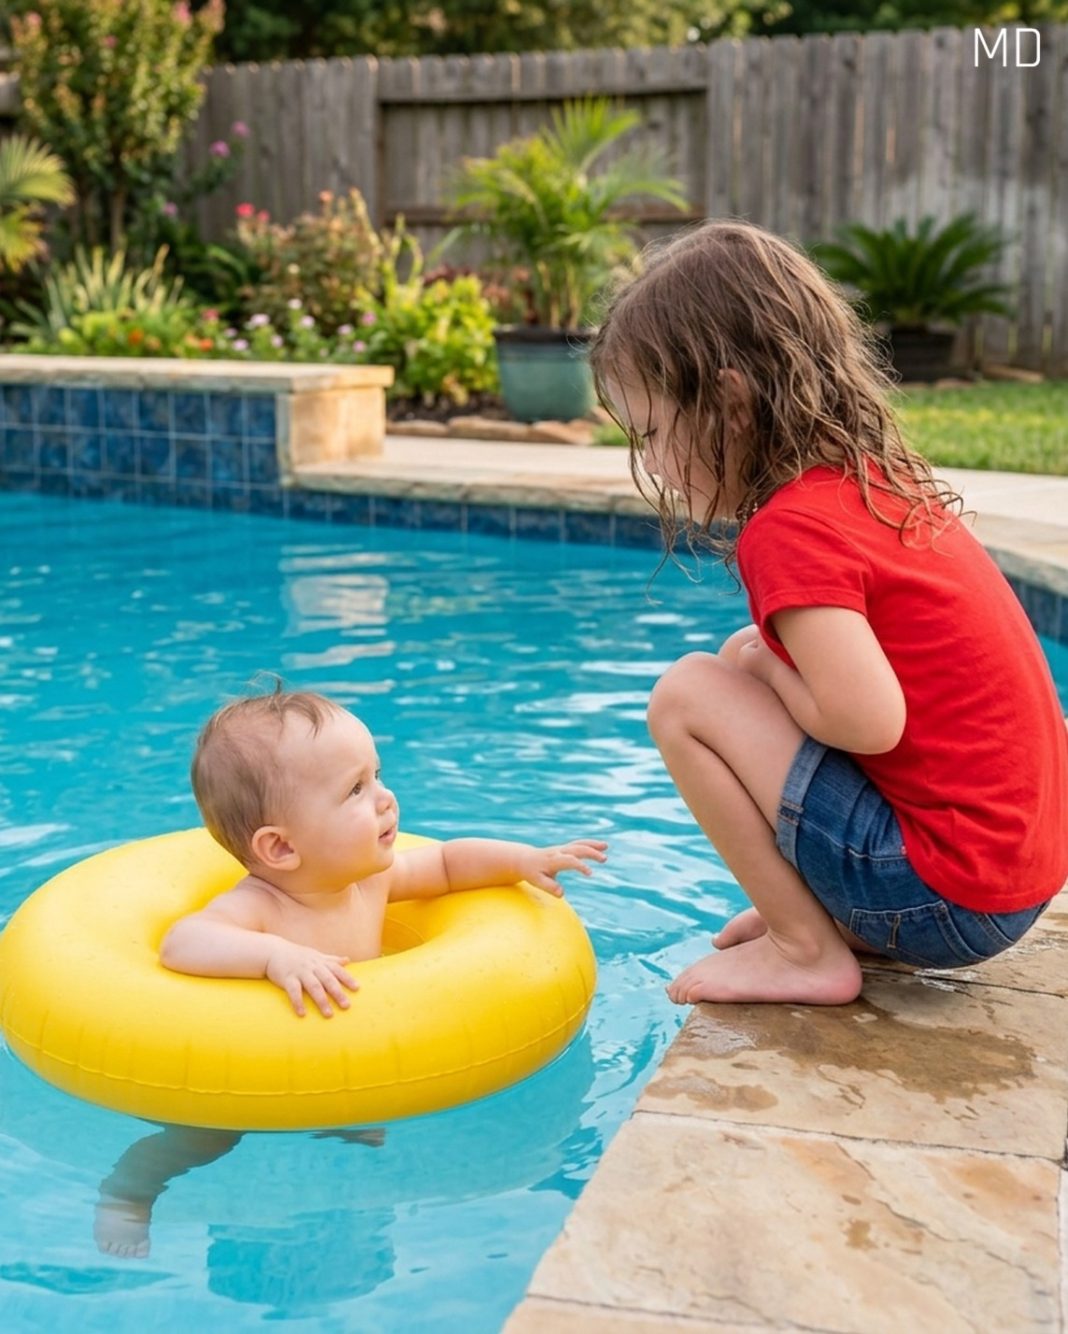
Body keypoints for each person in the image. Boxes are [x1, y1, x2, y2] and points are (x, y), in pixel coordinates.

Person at [590, 218, 1068, 1007]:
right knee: (746, 660)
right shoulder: (871, 482)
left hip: (949, 897)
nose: (648, 463)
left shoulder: (790, 527)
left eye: (650, 433)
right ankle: (818, 916)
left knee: (688, 694)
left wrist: (763, 668)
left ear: (728, 403)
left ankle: (804, 948)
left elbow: (868, 721)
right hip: (1016, 876)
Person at [162, 686, 607, 1016]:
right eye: (355, 789)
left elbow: (448, 864)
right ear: (280, 846)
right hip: (266, 1058)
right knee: (206, 1142)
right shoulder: (259, 908)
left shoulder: (370, 881)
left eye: (377, 774)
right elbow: (182, 943)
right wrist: (274, 956)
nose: (385, 797)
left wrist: (522, 860)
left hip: (359, 1048)